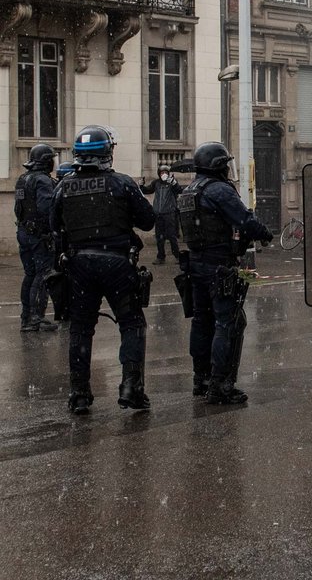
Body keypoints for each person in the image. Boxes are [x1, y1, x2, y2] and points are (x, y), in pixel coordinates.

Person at [51, 126, 156, 415]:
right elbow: (148, 221)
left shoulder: (63, 187)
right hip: (116, 264)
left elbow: (54, 226)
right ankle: (131, 389)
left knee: (81, 329)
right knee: (132, 324)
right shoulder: (121, 183)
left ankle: (80, 394)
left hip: (79, 265)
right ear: (107, 153)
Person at [178, 141, 273, 404]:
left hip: (195, 264)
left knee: (201, 321)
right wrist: (265, 233)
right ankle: (221, 384)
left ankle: (201, 378)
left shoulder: (190, 191)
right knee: (228, 322)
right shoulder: (218, 190)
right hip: (219, 265)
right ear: (219, 166)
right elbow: (245, 220)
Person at [15, 144, 60, 332]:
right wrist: (52, 230)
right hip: (38, 236)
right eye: (51, 159)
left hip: (24, 232)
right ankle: (36, 317)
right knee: (43, 274)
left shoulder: (22, 179)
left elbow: (18, 208)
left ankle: (26, 316)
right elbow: (46, 209)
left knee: (30, 274)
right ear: (45, 161)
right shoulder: (42, 181)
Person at [140, 164, 184, 263]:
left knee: (172, 235)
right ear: (159, 174)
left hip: (169, 213)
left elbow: (179, 190)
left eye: (165, 173)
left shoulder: (172, 183)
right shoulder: (156, 183)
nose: (163, 174)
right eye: (162, 173)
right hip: (158, 214)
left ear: (168, 174)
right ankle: (161, 257)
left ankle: (177, 256)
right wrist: (141, 185)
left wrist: (174, 183)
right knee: (159, 237)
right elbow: (147, 190)